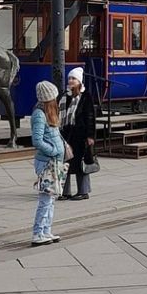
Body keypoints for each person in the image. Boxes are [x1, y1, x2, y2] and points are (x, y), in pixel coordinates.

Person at [31, 80, 65, 247]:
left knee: (51, 199)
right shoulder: (39, 114)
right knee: (45, 199)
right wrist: (53, 150)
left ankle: (46, 230)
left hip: (55, 161)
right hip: (46, 162)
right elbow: (37, 141)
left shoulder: (49, 112)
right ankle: (38, 233)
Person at [59, 67, 96, 201]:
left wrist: (90, 136)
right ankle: (64, 191)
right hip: (67, 134)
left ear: (79, 81)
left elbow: (90, 117)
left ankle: (83, 191)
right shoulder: (64, 96)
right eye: (69, 78)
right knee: (64, 163)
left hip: (80, 135)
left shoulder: (85, 96)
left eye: (73, 78)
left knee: (81, 164)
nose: (70, 81)